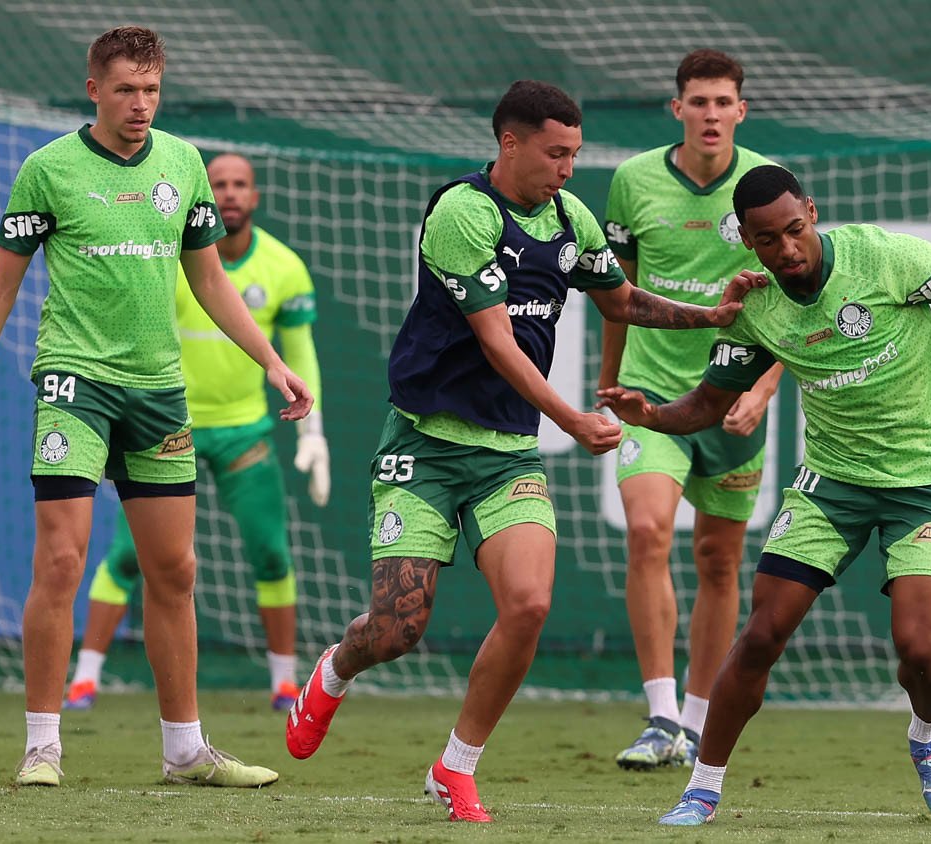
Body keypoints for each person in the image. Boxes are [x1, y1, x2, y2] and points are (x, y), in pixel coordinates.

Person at [281, 80, 760, 823]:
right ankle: (336, 670)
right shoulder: (462, 213)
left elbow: (622, 300)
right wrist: (572, 418)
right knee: (397, 629)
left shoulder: (572, 219)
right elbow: (497, 340)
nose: (568, 169)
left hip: (508, 453)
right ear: (510, 144)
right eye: (555, 153)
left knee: (531, 603)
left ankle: (455, 767)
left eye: (575, 154)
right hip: (426, 445)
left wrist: (712, 313)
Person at [597, 164, 931, 825]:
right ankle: (702, 787)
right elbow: (709, 403)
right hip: (831, 486)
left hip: (925, 480)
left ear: (812, 214)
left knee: (918, 648)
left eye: (795, 230)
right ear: (747, 240)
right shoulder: (755, 308)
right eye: (768, 239)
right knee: (763, 633)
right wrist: (650, 415)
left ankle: (927, 736)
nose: (786, 249)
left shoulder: (882, 257)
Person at [0, 26, 311, 788]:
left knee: (174, 570)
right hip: (74, 384)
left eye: (151, 89)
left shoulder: (182, 163)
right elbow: (0, 284)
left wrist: (272, 361)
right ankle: (42, 746)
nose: (140, 104)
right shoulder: (47, 169)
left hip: (158, 393)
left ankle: (185, 751)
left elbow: (211, 282)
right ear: (94, 91)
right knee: (62, 560)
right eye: (125, 90)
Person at [64, 153, 328, 714]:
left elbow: (300, 350)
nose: (230, 193)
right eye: (220, 184)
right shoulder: (175, 258)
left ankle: (284, 683)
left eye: (241, 184)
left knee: (271, 553)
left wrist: (316, 433)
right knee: (129, 556)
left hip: (243, 433)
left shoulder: (284, 268)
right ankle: (85, 677)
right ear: (204, 194)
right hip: (168, 423)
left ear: (255, 197)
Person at [598, 49, 783, 771]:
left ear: (743, 110)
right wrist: (610, 385)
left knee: (718, 558)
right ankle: (661, 715)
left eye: (722, 102)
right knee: (647, 532)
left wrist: (763, 392)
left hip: (733, 398)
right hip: (651, 396)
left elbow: (797, 301)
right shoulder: (632, 182)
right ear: (676, 109)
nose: (710, 114)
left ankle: (700, 722)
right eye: (697, 102)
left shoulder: (767, 187)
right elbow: (619, 294)